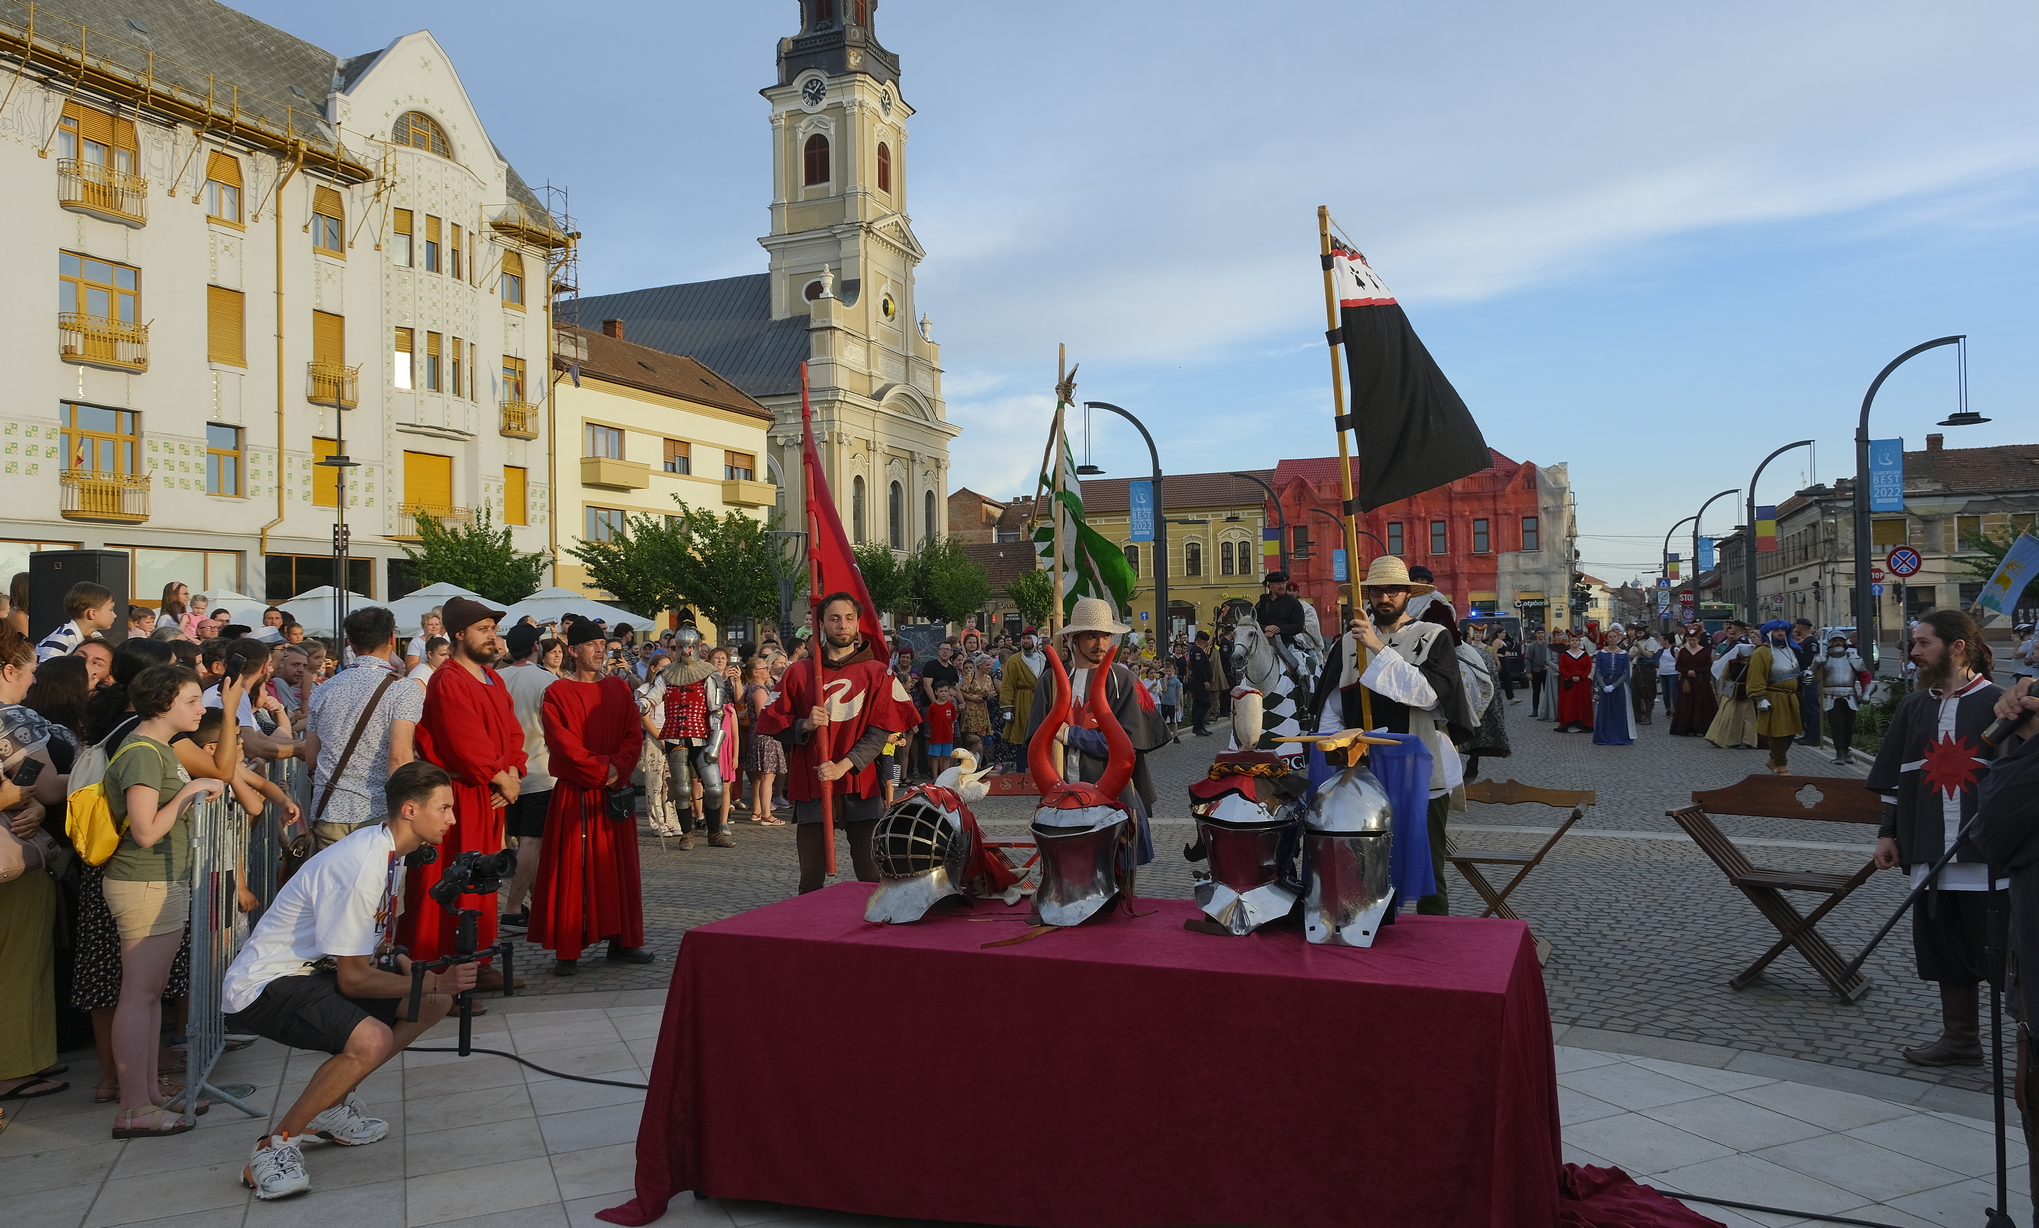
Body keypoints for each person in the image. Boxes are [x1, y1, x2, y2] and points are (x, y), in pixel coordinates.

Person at [221, 760, 474, 1199]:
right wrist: (436, 981)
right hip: (265, 985)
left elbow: (368, 946)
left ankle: (333, 1106)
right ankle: (274, 1146)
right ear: (411, 810)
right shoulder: (363, 864)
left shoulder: (391, 850)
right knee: (375, 1037)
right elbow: (355, 980)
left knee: (431, 1005)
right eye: (445, 808)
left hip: (313, 973)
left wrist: (405, 963)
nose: (453, 818)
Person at [1868, 608, 2004, 1066]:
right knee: (1947, 952)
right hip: (1931, 854)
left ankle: (2028, 1049)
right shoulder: (1915, 707)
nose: (1914, 651)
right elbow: (1896, 781)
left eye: (1924, 642)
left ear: (1957, 646)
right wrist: (1888, 834)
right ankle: (1961, 1039)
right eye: (1914, 643)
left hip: (1992, 863)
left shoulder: (2000, 705)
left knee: (2011, 958)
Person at [102, 663, 228, 1137]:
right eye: (192, 700)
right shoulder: (141, 753)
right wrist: (190, 793)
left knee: (149, 996)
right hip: (144, 882)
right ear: (162, 704)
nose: (201, 708)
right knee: (138, 995)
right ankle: (134, 1108)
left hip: (159, 882)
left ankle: (148, 1096)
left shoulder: (156, 750)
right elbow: (146, 830)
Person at [1310, 557, 1469, 915]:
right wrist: (1332, 758)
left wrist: (1377, 649)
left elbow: (1428, 695)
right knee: (1365, 861)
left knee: (1426, 860)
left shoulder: (1432, 637)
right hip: (1363, 772)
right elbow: (1332, 710)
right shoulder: (1347, 644)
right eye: (1377, 591)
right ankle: (1372, 927)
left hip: (1420, 770)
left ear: (1408, 595)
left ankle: (1432, 940)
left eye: (1393, 591)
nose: (1385, 598)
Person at [755, 592, 920, 893]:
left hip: (861, 782)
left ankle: (870, 937)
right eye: (833, 618)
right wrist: (802, 725)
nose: (841, 625)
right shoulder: (799, 672)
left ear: (858, 624)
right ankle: (815, 937)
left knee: (872, 877)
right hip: (814, 784)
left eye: (848, 618)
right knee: (810, 880)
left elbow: (882, 730)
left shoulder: (878, 672)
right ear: (821, 625)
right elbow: (772, 722)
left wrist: (844, 765)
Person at [401, 596, 524, 977]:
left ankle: (479, 959)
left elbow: (512, 730)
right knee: (452, 878)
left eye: (493, 630)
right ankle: (439, 970)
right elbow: (462, 740)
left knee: (484, 878)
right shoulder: (448, 679)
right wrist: (499, 775)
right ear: (459, 634)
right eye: (484, 630)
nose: (493, 637)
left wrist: (515, 771)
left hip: (491, 792)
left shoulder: (493, 677)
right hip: (461, 795)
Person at [531, 619, 654, 975]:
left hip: (614, 793)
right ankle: (568, 948)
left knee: (619, 867)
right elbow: (562, 744)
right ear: (573, 651)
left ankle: (623, 940)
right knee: (574, 868)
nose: (601, 650)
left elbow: (633, 735)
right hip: (577, 794)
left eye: (603, 644)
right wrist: (605, 771)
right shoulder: (556, 693)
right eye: (592, 645)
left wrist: (616, 770)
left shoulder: (617, 689)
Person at [1024, 597, 1170, 864]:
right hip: (1062, 794)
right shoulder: (1051, 682)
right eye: (1092, 636)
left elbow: (1127, 745)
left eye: (1106, 636)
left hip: (1113, 793)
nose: (1101, 644)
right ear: (1074, 639)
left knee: (1118, 865)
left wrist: (1071, 735)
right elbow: (1035, 742)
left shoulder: (1125, 680)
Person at [0, 625, 71, 1115]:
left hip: (16, 848)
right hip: (16, 862)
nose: (33, 683)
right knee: (20, 963)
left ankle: (27, 1058)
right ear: (9, 670)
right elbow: (42, 784)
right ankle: (16, 1067)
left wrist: (28, 798)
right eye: (29, 673)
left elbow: (27, 782)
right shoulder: (15, 717)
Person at [302, 607, 421, 850]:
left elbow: (312, 758)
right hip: (378, 811)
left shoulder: (324, 689)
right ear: (391, 638)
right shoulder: (403, 689)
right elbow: (398, 757)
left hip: (329, 810)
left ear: (351, 644)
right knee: (376, 887)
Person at [496, 624, 559, 928]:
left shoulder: (495, 678)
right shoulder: (545, 679)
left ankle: (538, 906)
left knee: (523, 841)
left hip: (506, 772)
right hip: (539, 771)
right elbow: (554, 729)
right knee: (533, 842)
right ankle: (511, 909)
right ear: (537, 645)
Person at [648, 627, 731, 850]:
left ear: (697, 646)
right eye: (680, 647)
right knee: (683, 789)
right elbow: (652, 697)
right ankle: (687, 834)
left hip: (703, 737)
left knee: (714, 788)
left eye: (690, 646)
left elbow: (717, 711)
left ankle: (714, 833)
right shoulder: (666, 674)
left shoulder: (709, 673)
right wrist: (640, 705)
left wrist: (715, 744)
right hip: (675, 736)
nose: (686, 651)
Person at [1744, 620, 1805, 775]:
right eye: (1777, 631)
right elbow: (1755, 677)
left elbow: (1794, 671)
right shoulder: (1762, 652)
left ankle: (1773, 759)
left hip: (1791, 697)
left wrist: (1806, 677)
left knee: (1791, 732)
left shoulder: (1790, 650)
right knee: (1779, 732)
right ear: (1769, 633)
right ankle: (1781, 765)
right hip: (1774, 696)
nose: (1781, 633)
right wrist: (1759, 697)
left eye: (1783, 630)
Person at [739, 657, 787, 825]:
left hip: (757, 734)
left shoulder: (752, 688)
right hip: (765, 736)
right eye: (764, 668)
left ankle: (757, 811)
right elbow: (763, 716)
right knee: (768, 775)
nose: (768, 670)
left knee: (760, 776)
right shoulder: (759, 690)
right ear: (756, 672)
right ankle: (767, 814)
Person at [1704, 626, 1760, 750]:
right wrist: (1721, 692)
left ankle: (1747, 740)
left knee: (1748, 719)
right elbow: (1724, 677)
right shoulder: (1732, 663)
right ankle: (1721, 738)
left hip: (1747, 693)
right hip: (1732, 692)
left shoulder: (1754, 664)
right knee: (1726, 716)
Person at [37, 580, 117, 662]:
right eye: (111, 610)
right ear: (92, 613)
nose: (115, 615)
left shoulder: (96, 637)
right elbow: (46, 668)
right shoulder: (63, 637)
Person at [1000, 629, 1048, 761]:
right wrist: (1007, 707)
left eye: (1028, 638)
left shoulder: (1045, 658)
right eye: (1023, 638)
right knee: (1022, 735)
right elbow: (1007, 685)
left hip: (1043, 700)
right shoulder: (1014, 660)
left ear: (1035, 640)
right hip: (1023, 701)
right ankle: (1021, 771)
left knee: (1042, 735)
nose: (1025, 641)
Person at [1819, 634, 1868, 765]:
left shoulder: (1852, 657)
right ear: (1830, 643)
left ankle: (1846, 752)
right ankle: (1839, 753)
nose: (1838, 643)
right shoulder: (1823, 658)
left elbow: (1864, 676)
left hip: (1850, 695)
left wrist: (1866, 692)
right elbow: (1813, 676)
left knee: (1848, 726)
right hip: (1830, 695)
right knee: (1837, 725)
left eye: (1840, 640)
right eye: (1835, 640)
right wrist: (1816, 665)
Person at [1669, 628, 1717, 736]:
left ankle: (1700, 727)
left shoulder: (1704, 651)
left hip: (1701, 681)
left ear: (1698, 639)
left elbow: (1708, 665)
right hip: (1687, 681)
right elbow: (1678, 665)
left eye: (1694, 640)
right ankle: (1686, 727)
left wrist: (1697, 671)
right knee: (1686, 703)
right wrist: (1687, 671)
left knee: (1701, 702)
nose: (1692, 642)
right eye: (1690, 640)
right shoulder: (1684, 651)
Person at [1592, 632, 1636, 746]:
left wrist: (1614, 685)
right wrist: (1603, 686)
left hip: (1619, 687)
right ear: (1606, 639)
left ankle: (1619, 736)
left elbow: (1625, 672)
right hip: (1605, 684)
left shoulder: (1623, 654)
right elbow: (1597, 671)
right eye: (1610, 637)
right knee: (1604, 712)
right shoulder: (1601, 654)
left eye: (1614, 637)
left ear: (1618, 638)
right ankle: (1604, 736)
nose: (1612, 639)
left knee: (1618, 712)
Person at [1790, 619, 1823, 747]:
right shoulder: (1805, 642)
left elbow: (1811, 662)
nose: (1795, 629)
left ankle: (1814, 736)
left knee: (1812, 707)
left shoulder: (1811, 643)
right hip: (1803, 679)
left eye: (1796, 626)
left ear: (1801, 627)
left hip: (1810, 680)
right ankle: (1808, 734)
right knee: (1806, 708)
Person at [1553, 632, 1594, 733]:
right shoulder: (1565, 655)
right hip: (1569, 683)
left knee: (1582, 702)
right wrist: (1570, 676)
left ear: (1579, 642)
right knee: (1569, 703)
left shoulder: (1585, 655)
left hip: (1582, 683)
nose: (1574, 642)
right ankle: (1569, 722)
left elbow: (1588, 667)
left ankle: (1583, 723)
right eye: (1572, 640)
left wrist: (1581, 677)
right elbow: (1562, 667)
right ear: (1569, 642)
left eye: (1576, 640)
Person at [1187, 630, 1216, 737]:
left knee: (1198, 704)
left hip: (1198, 681)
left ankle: (1199, 724)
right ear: (1201, 641)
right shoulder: (1197, 652)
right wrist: (1205, 681)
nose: (1206, 644)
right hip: (1199, 682)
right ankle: (1197, 726)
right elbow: (1200, 668)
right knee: (1205, 703)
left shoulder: (1196, 650)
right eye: (1205, 642)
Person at [926, 682, 958, 778]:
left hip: (948, 736)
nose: (943, 693)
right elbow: (929, 721)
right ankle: (935, 778)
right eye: (941, 691)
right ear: (936, 692)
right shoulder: (933, 706)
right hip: (936, 736)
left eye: (945, 691)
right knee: (936, 757)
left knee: (946, 757)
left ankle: (945, 777)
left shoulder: (950, 705)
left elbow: (953, 719)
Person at [1524, 629, 1552, 715]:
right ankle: (1535, 710)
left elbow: (1553, 659)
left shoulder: (1549, 646)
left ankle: (1548, 710)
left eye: (1542, 633)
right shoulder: (1531, 646)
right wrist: (1528, 672)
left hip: (1546, 671)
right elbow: (1528, 659)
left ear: (1545, 634)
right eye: (1538, 633)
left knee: (1547, 692)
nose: (1540, 635)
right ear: (1536, 634)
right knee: (1536, 692)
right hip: (1535, 671)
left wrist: (1550, 667)